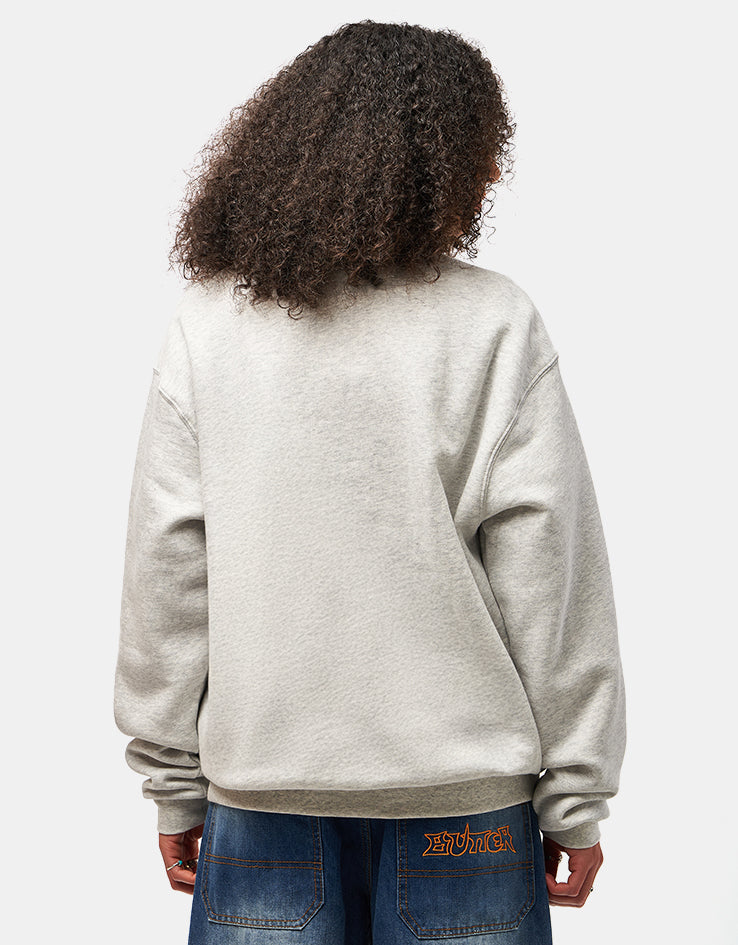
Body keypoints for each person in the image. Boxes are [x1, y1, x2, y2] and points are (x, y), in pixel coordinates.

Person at [113, 19, 626, 944]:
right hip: (465, 804)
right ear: (448, 160)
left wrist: (173, 783)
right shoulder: (493, 322)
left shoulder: (209, 326)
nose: (492, 173)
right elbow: (552, 574)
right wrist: (578, 799)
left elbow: (169, 572)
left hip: (262, 793)